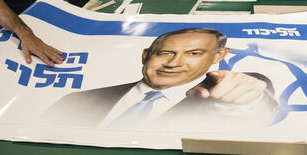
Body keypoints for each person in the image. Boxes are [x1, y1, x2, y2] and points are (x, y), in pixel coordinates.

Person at [45, 28, 278, 128]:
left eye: (194, 54)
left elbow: (256, 102)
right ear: (146, 55)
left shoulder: (218, 92)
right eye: (165, 53)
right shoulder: (76, 100)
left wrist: (248, 98)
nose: (173, 63)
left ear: (219, 56)